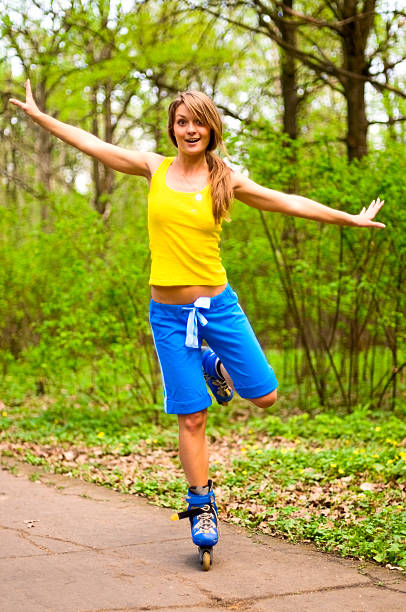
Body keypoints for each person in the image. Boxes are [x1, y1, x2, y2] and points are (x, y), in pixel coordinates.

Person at [10, 81, 385, 564]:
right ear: (173, 128)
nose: (190, 129)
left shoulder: (226, 178)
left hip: (218, 307)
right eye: (182, 121)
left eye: (198, 121)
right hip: (168, 316)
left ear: (212, 128)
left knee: (266, 397)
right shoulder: (154, 167)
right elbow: (94, 144)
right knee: (193, 416)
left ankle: (212, 362)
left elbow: (288, 201)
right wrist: (41, 117)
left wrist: (347, 219)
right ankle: (201, 503)